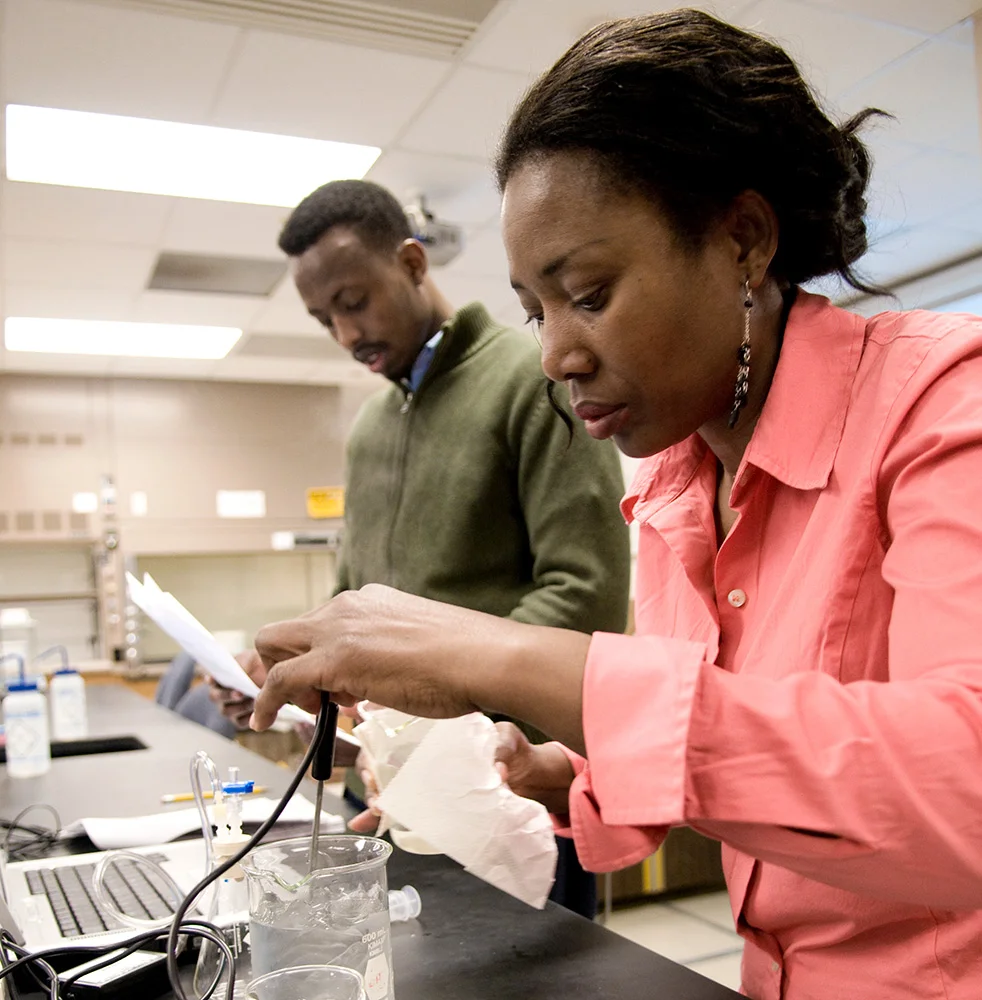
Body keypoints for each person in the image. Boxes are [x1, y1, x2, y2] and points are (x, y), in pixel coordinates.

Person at [248, 10, 982, 999]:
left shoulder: (943, 403)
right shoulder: (675, 475)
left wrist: (496, 655)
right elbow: (759, 746)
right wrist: (574, 769)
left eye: (587, 292)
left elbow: (961, 791)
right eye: (534, 309)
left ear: (743, 242)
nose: (554, 355)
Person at [212, 179, 632, 918]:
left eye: (353, 301)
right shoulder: (371, 428)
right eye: (322, 319)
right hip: (384, 800)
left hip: (504, 788)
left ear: (411, 262)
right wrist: (287, 671)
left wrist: (437, 705)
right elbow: (351, 610)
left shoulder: (531, 381)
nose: (345, 334)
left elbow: (583, 590)